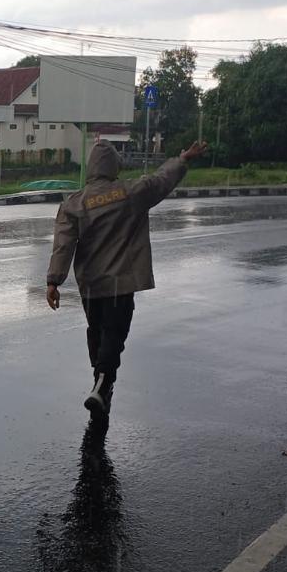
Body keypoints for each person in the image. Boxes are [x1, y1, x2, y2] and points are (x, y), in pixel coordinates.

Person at [45, 139, 209, 432]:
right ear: (114, 167)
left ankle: (99, 381)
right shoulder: (132, 192)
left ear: (90, 168)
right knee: (114, 334)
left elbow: (63, 246)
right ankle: (104, 382)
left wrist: (53, 282)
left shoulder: (74, 203)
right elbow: (162, 179)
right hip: (121, 282)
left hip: (91, 285)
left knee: (96, 332)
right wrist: (183, 157)